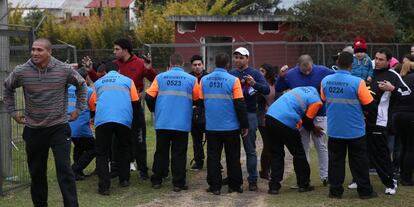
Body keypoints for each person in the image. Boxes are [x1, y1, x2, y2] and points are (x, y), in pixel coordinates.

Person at [3, 38, 86, 207]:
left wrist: (78, 109)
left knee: (64, 170)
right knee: (37, 173)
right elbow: (7, 88)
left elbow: (82, 85)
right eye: (33, 49)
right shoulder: (22, 71)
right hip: (34, 129)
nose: (35, 53)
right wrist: (13, 112)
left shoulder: (64, 70)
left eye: (40, 50)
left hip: (58, 128)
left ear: (50, 52)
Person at [84, 38, 156, 180]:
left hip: (134, 108)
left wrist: (149, 70)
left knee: (139, 140)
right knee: (116, 142)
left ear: (125, 49)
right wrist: (90, 71)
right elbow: (99, 82)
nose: (114, 52)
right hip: (117, 112)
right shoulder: (113, 65)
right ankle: (117, 170)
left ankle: (143, 170)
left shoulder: (141, 63)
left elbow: (155, 80)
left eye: (116, 49)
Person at [349, 48, 411, 195]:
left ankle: (390, 182)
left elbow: (407, 92)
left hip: (378, 122)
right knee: (359, 153)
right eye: (376, 58)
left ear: (388, 61)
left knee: (380, 154)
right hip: (359, 121)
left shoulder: (392, 75)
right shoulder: (365, 72)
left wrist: (393, 89)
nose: (377, 61)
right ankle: (358, 179)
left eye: (381, 59)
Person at [321, 51, 378, 199]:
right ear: (352, 65)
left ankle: (335, 191)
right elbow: (371, 105)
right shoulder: (357, 82)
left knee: (335, 162)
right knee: (359, 162)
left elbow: (323, 98)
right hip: (355, 130)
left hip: (334, 129)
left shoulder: (325, 80)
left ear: (337, 63)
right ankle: (365, 192)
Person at [276, 54, 333, 186]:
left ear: (313, 64)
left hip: (319, 113)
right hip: (300, 115)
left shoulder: (323, 71)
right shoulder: (290, 74)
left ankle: (326, 176)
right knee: (303, 147)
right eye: (304, 70)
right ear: (298, 66)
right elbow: (279, 87)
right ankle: (304, 179)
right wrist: (281, 75)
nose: (307, 72)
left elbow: (335, 77)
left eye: (309, 69)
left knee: (321, 145)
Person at [145, 53, 199, 192]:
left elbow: (149, 97)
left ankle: (157, 179)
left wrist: (155, 110)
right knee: (179, 153)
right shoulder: (192, 79)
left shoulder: (160, 77)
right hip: (181, 122)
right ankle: (178, 183)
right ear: (182, 64)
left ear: (170, 63)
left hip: (163, 121)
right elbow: (198, 98)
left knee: (161, 151)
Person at [201, 53, 249, 195]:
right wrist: (244, 125)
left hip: (212, 126)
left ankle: (215, 186)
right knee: (233, 157)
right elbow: (240, 104)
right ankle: (234, 185)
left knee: (213, 157)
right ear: (228, 64)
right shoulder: (233, 80)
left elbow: (200, 100)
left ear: (215, 63)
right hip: (231, 126)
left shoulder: (204, 80)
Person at [89, 62, 140, 195]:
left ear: (106, 70)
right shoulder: (128, 81)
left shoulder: (98, 83)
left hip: (103, 120)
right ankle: (124, 179)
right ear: (119, 70)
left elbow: (93, 104)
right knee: (124, 148)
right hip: (123, 119)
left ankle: (104, 187)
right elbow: (135, 101)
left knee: (102, 153)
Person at [266, 86, 323, 195]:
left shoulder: (302, 89)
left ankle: (274, 187)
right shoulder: (316, 101)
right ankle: (303, 184)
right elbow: (307, 121)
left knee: (276, 154)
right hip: (286, 121)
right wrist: (314, 128)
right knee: (299, 154)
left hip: (270, 117)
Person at [229, 47, 270, 191]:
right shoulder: (231, 74)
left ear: (247, 59)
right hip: (233, 114)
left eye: (241, 57)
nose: (238, 60)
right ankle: (234, 178)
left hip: (250, 113)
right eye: (236, 57)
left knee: (250, 149)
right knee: (232, 150)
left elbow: (266, 90)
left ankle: (252, 180)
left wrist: (254, 84)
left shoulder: (255, 73)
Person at [68, 68, 96, 181]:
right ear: (86, 78)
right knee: (94, 148)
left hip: (69, 125)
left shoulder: (68, 89)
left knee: (78, 147)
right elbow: (94, 109)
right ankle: (74, 169)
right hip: (81, 126)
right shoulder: (89, 91)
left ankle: (77, 173)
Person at [392, 61, 414, 186]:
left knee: (404, 146)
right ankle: (407, 178)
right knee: (410, 148)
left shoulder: (403, 79)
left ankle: (401, 173)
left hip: (398, 116)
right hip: (410, 114)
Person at [257, 63, 280, 180]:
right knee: (267, 144)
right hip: (263, 117)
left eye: (262, 71)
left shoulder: (276, 83)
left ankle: (270, 168)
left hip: (275, 116)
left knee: (274, 144)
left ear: (268, 72)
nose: (259, 73)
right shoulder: (258, 84)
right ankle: (264, 171)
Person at [189, 55, 208, 171]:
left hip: (207, 111)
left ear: (203, 65)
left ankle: (214, 161)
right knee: (196, 139)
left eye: (199, 65)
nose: (197, 67)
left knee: (212, 138)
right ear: (192, 66)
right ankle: (198, 161)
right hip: (193, 112)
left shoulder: (209, 77)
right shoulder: (188, 78)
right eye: (195, 65)